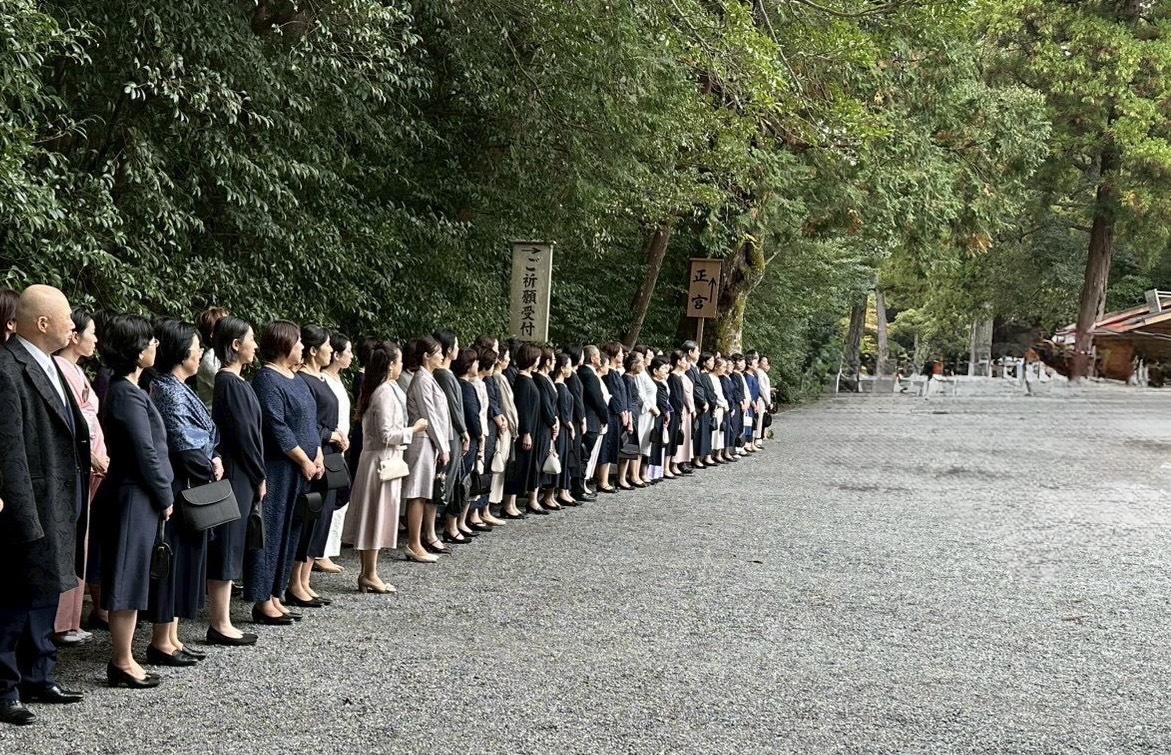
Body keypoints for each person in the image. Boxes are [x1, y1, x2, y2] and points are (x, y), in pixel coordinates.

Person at [0, 285, 89, 721]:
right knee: (14, 599)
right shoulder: (7, 367)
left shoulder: (51, 363)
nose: (73, 324)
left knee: (45, 591)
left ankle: (40, 674)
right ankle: (4, 688)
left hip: (58, 497)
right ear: (42, 323)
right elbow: (9, 451)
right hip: (31, 503)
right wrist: (23, 516)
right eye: (67, 316)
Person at [95, 314, 171, 690]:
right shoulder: (125, 392)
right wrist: (165, 493)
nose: (155, 346)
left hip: (138, 494)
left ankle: (126, 657)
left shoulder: (131, 389)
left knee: (135, 572)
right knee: (127, 574)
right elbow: (145, 451)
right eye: (151, 341)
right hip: (132, 494)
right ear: (137, 351)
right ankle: (122, 660)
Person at [148, 320, 221, 668]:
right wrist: (210, 464)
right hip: (179, 485)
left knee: (184, 561)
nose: (201, 352)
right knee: (173, 561)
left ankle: (173, 636)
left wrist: (213, 457)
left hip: (192, 480)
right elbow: (182, 444)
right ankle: (161, 640)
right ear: (181, 352)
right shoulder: (167, 390)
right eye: (197, 347)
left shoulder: (180, 386)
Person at [245, 321, 323, 626]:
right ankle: (262, 599)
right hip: (279, 468)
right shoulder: (267, 379)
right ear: (283, 345)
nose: (302, 347)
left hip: (302, 469)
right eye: (298, 342)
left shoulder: (297, 378)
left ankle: (277, 593)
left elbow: (310, 420)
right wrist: (303, 458)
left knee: (291, 531)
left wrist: (317, 454)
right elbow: (276, 426)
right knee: (272, 530)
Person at [343, 342, 427, 592]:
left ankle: (369, 572)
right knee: (375, 516)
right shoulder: (384, 392)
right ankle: (369, 573)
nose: (401, 366)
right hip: (381, 461)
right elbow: (386, 433)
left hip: (380, 459)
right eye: (399, 361)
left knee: (375, 516)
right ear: (391, 365)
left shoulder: (381, 389)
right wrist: (414, 429)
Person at [51, 308, 108, 647]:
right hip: (81, 464)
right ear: (74, 336)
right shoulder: (59, 369)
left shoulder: (77, 370)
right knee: (71, 540)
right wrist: (93, 456)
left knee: (81, 540)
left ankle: (71, 620)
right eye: (91, 333)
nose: (96, 339)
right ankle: (61, 622)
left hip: (92, 465)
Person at [208, 316, 264, 646]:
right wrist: (259, 474)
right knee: (228, 541)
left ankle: (223, 619)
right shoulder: (229, 382)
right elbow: (245, 436)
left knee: (235, 539)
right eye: (250, 339)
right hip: (238, 471)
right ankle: (219, 622)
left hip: (243, 470)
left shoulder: (237, 382)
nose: (255, 345)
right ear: (235, 345)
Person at [402, 337, 451, 563]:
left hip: (428, 441)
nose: (442, 356)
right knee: (417, 493)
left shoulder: (428, 378)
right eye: (438, 353)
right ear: (426, 356)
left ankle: (417, 541)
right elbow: (428, 415)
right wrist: (443, 446)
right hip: (422, 440)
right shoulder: (422, 379)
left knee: (422, 493)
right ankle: (414, 543)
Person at [318, 332, 354, 574]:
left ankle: (329, 549)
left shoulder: (338, 380)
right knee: (330, 498)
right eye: (347, 351)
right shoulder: (323, 379)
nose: (351, 356)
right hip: (329, 445)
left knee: (340, 498)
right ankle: (321, 552)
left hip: (340, 445)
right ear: (337, 355)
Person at [431, 330, 469, 550]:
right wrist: (463, 431)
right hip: (451, 432)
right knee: (445, 479)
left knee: (453, 478)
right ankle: (437, 527)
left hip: (454, 431)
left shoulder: (446, 373)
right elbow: (453, 407)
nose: (458, 349)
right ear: (448, 349)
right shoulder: (442, 375)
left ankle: (449, 525)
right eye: (456, 345)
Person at [505, 343, 545, 514]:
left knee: (524, 466)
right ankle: (508, 504)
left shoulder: (529, 378)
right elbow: (523, 409)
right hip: (526, 430)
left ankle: (513, 503)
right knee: (518, 466)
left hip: (533, 428)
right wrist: (526, 432)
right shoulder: (522, 381)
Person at [451, 348, 485, 542]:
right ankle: (456, 522)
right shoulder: (466, 387)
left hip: (463, 436)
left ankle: (460, 521)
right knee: (463, 481)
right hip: (468, 438)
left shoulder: (458, 384)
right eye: (475, 362)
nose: (477, 365)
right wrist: (479, 435)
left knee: (464, 481)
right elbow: (472, 414)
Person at [491, 348, 522, 519]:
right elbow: (508, 406)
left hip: (505, 425)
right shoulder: (499, 377)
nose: (509, 360)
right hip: (504, 427)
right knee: (499, 465)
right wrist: (514, 427)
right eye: (507, 357)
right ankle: (489, 506)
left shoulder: (499, 377)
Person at [578, 346, 609, 493]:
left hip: (588, 419)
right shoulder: (589, 375)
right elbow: (598, 400)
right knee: (584, 455)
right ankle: (579, 488)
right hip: (591, 419)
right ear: (592, 358)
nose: (600, 359)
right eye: (598, 356)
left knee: (584, 455)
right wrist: (605, 417)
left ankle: (580, 486)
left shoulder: (582, 372)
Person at [533, 347, 560, 511]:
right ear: (547, 361)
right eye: (553, 360)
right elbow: (545, 404)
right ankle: (533, 498)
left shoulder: (548, 378)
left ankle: (543, 495)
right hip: (543, 425)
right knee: (540, 459)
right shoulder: (540, 379)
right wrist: (552, 421)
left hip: (551, 423)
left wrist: (556, 419)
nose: (555, 363)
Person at [600, 342, 631, 490]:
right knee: (606, 446)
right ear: (613, 356)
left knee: (611, 445)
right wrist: (621, 411)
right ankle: (603, 480)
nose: (623, 355)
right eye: (619, 353)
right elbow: (614, 395)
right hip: (612, 413)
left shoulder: (616, 373)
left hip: (618, 414)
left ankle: (605, 479)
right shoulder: (610, 374)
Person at [552, 353, 577, 505]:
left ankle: (564, 490)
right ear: (562, 368)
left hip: (565, 428)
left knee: (566, 458)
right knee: (561, 458)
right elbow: (563, 410)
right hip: (562, 428)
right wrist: (570, 425)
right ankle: (557, 492)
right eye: (568, 366)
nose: (570, 369)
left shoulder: (563, 385)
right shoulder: (559, 386)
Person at [194, 306, 229, 409]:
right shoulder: (210, 360)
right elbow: (231, 390)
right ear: (213, 334)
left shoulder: (221, 355)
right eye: (226, 325)